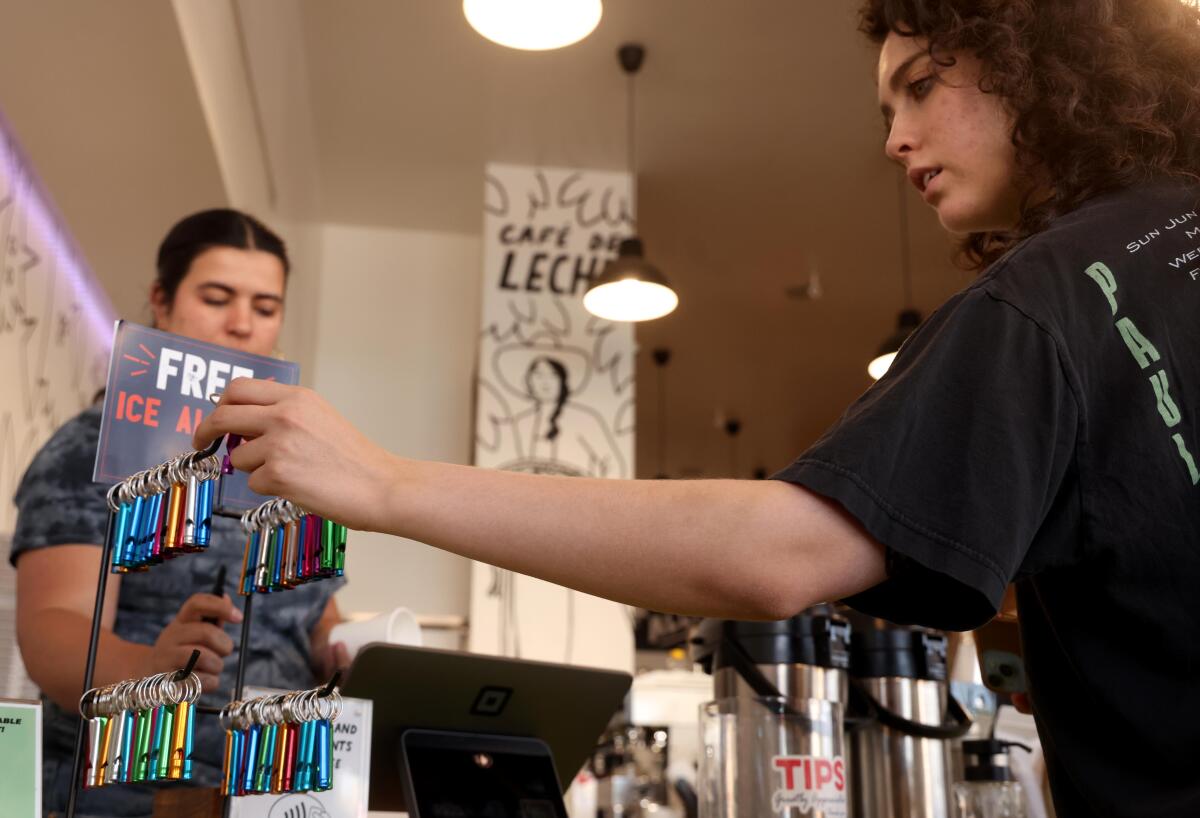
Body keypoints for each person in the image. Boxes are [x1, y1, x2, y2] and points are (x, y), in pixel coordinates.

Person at [195, 1, 1200, 815]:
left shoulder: (1047, 299)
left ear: (1033, 53)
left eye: (922, 84)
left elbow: (782, 551)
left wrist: (381, 479)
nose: (895, 138)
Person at [11, 209, 347, 817]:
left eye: (265, 308)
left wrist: (354, 652)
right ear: (161, 302)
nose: (242, 324)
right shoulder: (93, 451)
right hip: (122, 794)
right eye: (217, 298)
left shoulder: (291, 465)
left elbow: (316, 614)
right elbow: (53, 630)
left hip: (275, 793)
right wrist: (150, 666)